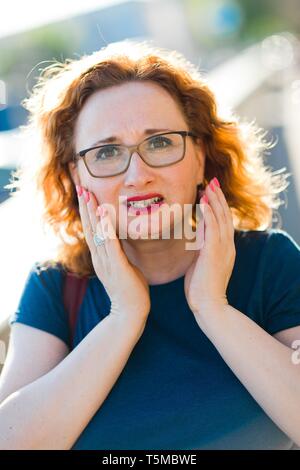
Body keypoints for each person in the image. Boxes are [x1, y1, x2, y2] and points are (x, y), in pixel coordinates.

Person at [0, 39, 300, 450]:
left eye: (159, 142)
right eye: (107, 152)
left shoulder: (270, 263)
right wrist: (123, 316)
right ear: (76, 177)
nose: (137, 174)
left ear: (199, 155)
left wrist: (213, 307)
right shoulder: (55, 286)